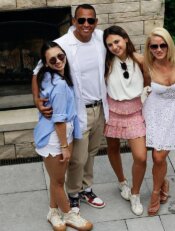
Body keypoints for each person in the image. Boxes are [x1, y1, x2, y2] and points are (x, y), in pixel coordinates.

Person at [32, 4, 108, 212]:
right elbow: (36, 70)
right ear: (73, 21)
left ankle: (86, 189)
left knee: (91, 153)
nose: (86, 24)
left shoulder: (101, 39)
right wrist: (37, 100)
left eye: (90, 20)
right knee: (77, 158)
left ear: (96, 22)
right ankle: (73, 193)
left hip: (100, 108)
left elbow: (123, 49)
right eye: (81, 20)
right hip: (78, 111)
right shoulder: (61, 44)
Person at [34, 41, 93, 231]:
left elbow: (35, 75)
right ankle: (69, 215)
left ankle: (53, 211)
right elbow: (59, 119)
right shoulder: (58, 85)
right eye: (53, 59)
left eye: (61, 56)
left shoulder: (49, 77)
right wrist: (65, 147)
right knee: (59, 181)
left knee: (55, 178)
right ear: (46, 63)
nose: (59, 61)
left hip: (61, 134)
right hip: (55, 138)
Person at [143, 27, 175, 216]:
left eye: (162, 45)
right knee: (157, 155)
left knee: (158, 157)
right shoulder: (147, 66)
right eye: (153, 46)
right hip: (154, 112)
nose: (158, 49)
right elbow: (143, 84)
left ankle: (155, 193)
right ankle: (162, 182)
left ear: (169, 44)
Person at [102, 25, 147, 216]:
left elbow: (150, 79)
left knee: (141, 156)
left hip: (135, 110)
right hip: (112, 110)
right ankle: (122, 183)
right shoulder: (106, 62)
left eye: (117, 41)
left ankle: (135, 194)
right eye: (109, 44)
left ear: (125, 39)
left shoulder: (140, 59)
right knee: (113, 148)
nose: (114, 46)